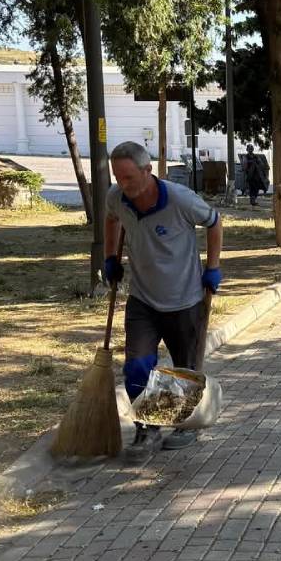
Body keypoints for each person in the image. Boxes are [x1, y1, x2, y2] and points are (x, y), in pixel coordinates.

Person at [103, 141, 224, 462]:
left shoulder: (180, 200)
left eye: (129, 177)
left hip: (185, 299)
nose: (123, 184)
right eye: (118, 177)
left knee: (184, 369)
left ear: (147, 171)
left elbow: (214, 222)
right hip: (143, 298)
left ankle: (186, 425)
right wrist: (109, 257)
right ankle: (147, 428)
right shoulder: (117, 197)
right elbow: (111, 219)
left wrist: (212, 267)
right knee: (137, 366)